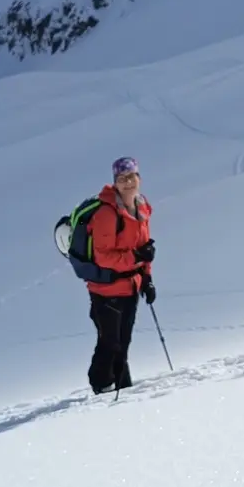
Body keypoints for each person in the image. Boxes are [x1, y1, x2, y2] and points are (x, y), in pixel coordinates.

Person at [84, 156, 157, 395]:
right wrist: (136, 258)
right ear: (115, 182)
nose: (128, 183)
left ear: (139, 178)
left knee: (122, 341)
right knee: (110, 342)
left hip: (130, 287)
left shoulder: (141, 208)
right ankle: (101, 383)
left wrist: (147, 278)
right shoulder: (106, 213)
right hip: (105, 290)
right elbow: (103, 256)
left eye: (131, 177)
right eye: (122, 179)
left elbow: (144, 248)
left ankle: (122, 388)